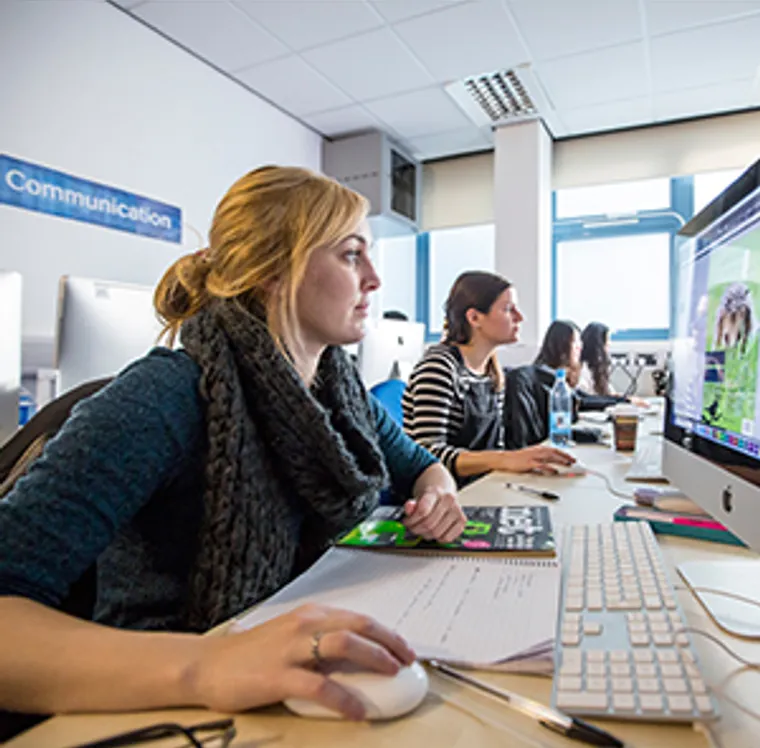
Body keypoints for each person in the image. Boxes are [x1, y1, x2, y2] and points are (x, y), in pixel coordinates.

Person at [0, 166, 467, 723]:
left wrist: (440, 493)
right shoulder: (167, 397)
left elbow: (423, 464)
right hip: (169, 709)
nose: (374, 279)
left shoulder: (342, 396)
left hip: (291, 692)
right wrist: (207, 663)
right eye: (350, 255)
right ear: (273, 272)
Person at [402, 271, 573, 488]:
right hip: (443, 497)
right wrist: (507, 459)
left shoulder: (492, 370)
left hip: (481, 485)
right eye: (509, 309)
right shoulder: (439, 367)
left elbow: (495, 445)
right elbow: (427, 455)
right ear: (474, 318)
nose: (520, 317)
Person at [504, 320, 583, 449]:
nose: (579, 348)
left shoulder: (557, 373)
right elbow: (579, 401)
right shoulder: (545, 376)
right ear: (562, 345)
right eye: (575, 342)